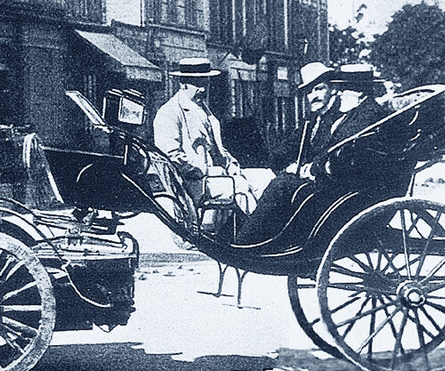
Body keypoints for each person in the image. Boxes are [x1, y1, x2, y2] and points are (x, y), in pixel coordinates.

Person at [233, 63, 389, 249]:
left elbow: (341, 150)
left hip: (347, 190)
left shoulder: (365, 116)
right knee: (269, 181)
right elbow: (300, 146)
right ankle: (249, 236)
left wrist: (309, 169)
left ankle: (246, 242)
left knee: (282, 185)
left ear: (359, 92)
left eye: (342, 89)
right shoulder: (352, 114)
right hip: (338, 183)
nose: (338, 94)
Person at [153, 57, 260, 216]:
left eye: (206, 83)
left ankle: (269, 229)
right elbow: (170, 157)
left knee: (264, 178)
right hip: (192, 184)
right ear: (183, 84)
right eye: (198, 84)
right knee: (240, 189)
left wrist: (231, 165)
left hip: (217, 177)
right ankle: (254, 235)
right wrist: (208, 170)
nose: (203, 89)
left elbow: (218, 148)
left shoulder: (203, 110)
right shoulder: (170, 113)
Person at [268, 62, 340, 174]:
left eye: (319, 89)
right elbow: (293, 143)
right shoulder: (313, 117)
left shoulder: (340, 115)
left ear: (333, 89)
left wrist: (301, 169)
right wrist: (274, 160)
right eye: (309, 92)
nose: (313, 96)